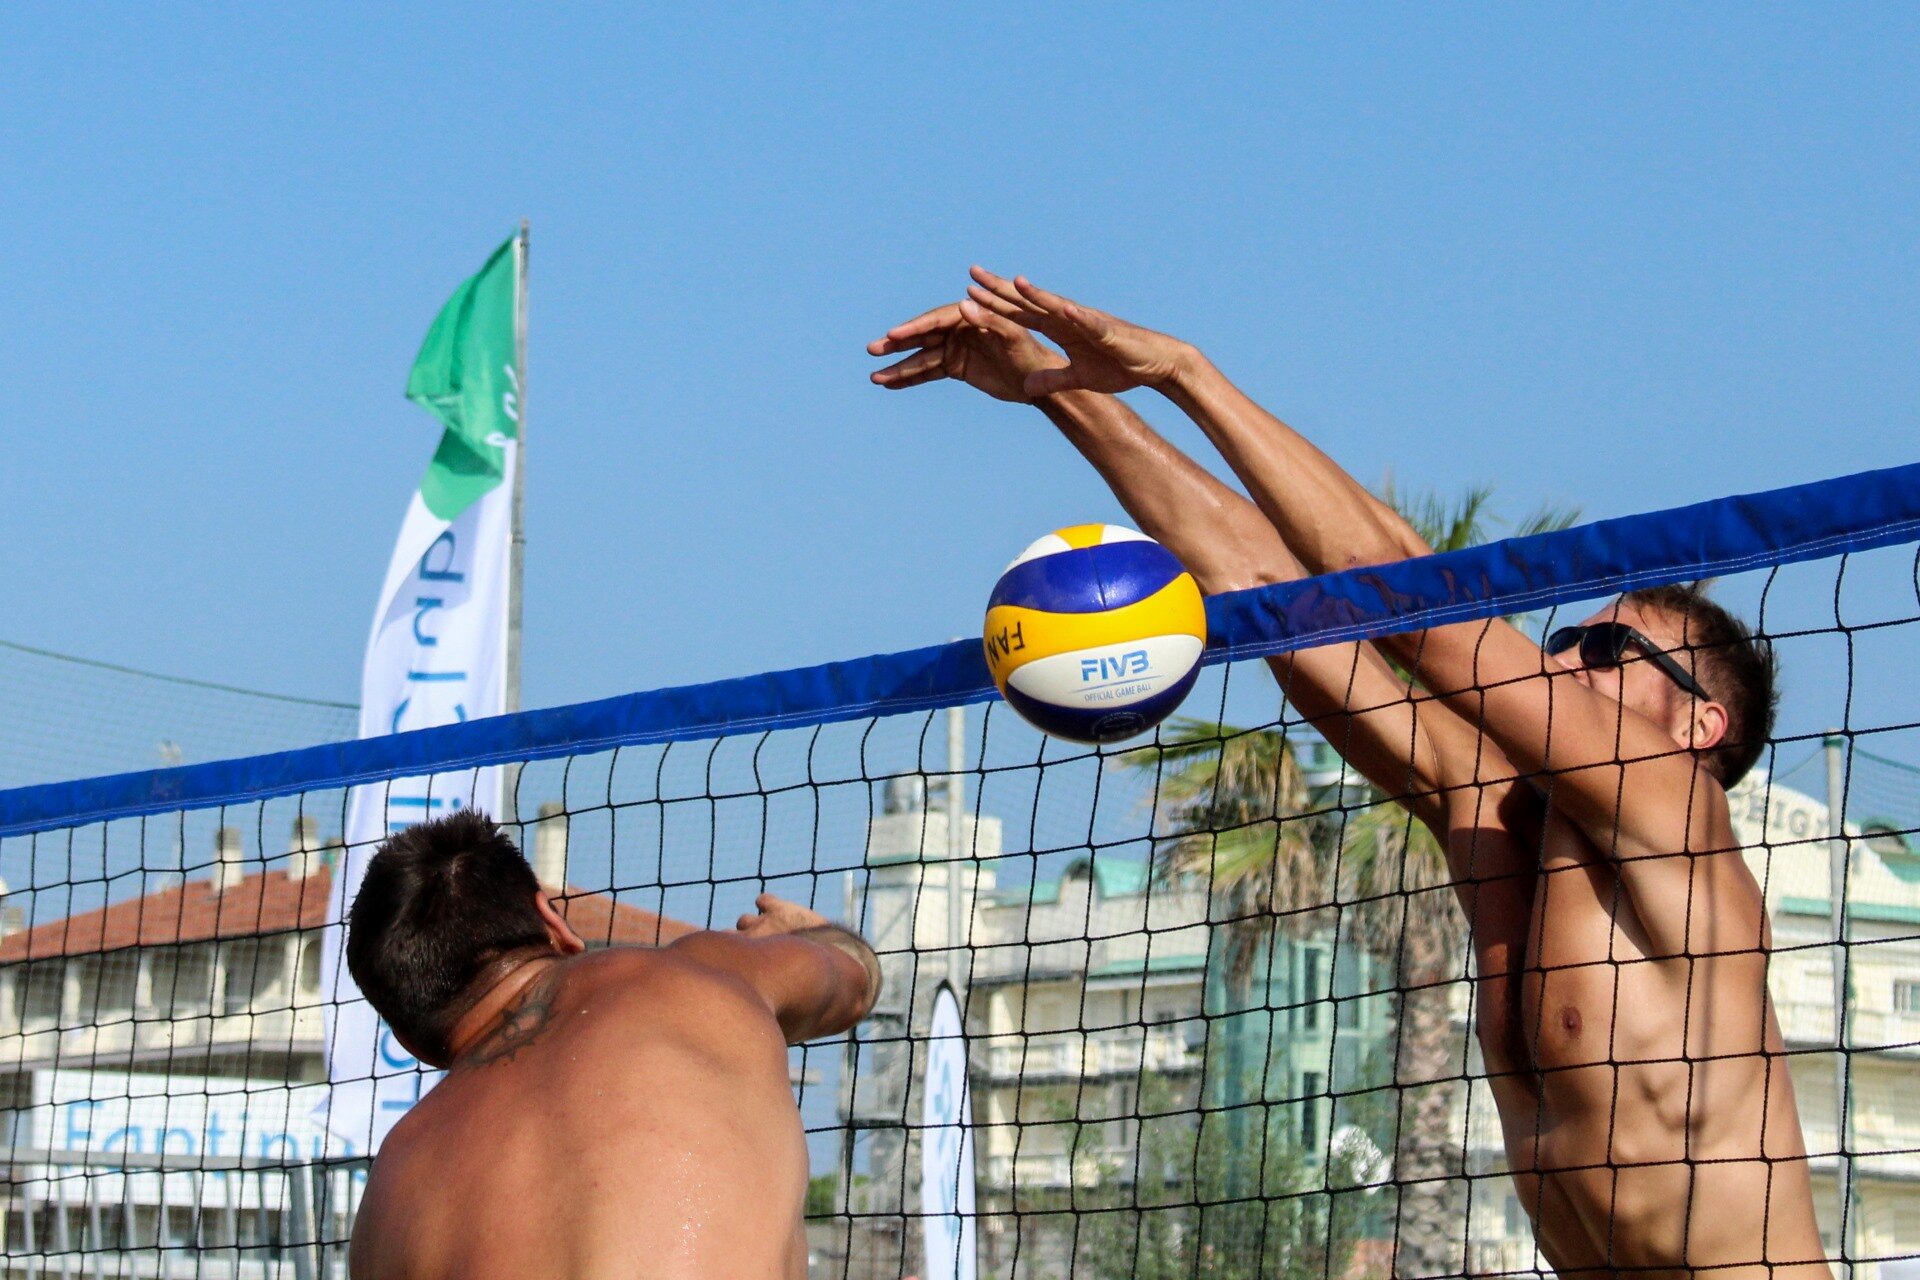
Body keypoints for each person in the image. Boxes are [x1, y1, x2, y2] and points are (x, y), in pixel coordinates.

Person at [870, 270, 1829, 1279]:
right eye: (1565, 634)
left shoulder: (1676, 809)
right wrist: (1060, 391)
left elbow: (1410, 599)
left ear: (1699, 722)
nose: (1563, 656)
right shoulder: (1498, 821)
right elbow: (1270, 589)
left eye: (1605, 651)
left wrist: (1185, 371)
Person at [344, 810, 881, 1280]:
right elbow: (854, 978)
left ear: (412, 1042)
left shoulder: (387, 1198)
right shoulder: (694, 974)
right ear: (554, 921)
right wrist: (800, 935)